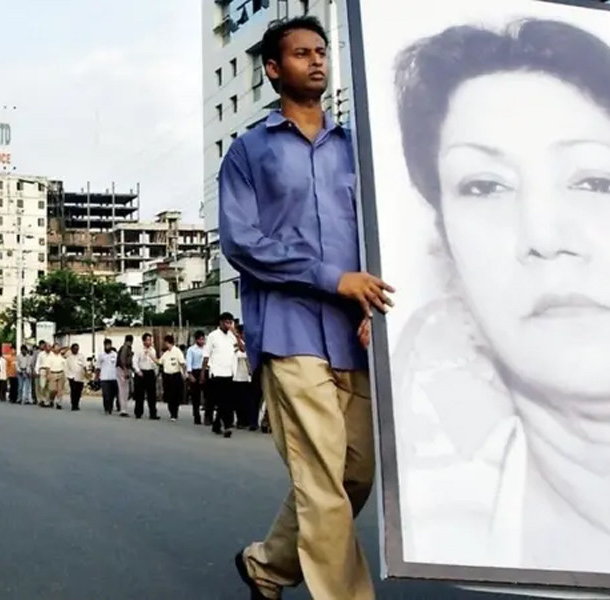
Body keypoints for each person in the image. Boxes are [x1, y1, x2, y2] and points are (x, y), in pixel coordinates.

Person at [387, 15, 610, 578]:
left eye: (596, 182)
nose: (543, 237)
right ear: (451, 265)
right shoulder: (444, 509)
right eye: (485, 186)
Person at [220, 18, 395, 600]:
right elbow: (241, 243)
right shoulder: (249, 152)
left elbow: (379, 232)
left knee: (356, 476)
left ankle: (267, 565)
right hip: (289, 333)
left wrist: (372, 301)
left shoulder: (356, 149)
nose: (317, 61)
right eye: (301, 53)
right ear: (274, 69)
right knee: (321, 484)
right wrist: (331, 278)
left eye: (321, 52)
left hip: (355, 335)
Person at [202, 313, 239, 438]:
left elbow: (242, 349)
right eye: (226, 322)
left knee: (227, 401)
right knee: (223, 401)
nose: (228, 324)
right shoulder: (213, 336)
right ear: (221, 322)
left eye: (230, 322)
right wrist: (203, 372)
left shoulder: (232, 337)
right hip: (216, 372)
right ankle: (227, 425)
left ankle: (217, 424)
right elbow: (206, 355)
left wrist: (236, 334)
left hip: (229, 372)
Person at [159, 334, 186, 421]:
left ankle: (175, 412)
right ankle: (172, 413)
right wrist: (151, 356)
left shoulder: (177, 351)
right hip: (167, 376)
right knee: (169, 395)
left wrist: (184, 373)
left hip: (176, 375)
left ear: (167, 342)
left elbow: (182, 363)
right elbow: (159, 362)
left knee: (176, 395)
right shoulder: (166, 354)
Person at [132, 333, 159, 420]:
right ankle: (138, 412)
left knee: (152, 395)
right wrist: (138, 371)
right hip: (141, 372)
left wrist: (155, 372)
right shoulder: (139, 350)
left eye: (150, 340)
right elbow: (135, 361)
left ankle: (153, 413)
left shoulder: (153, 350)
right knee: (139, 394)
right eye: (148, 340)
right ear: (144, 341)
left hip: (150, 372)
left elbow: (154, 362)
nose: (149, 342)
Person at [185, 330, 206, 425]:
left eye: (203, 339)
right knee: (196, 396)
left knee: (208, 395)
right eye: (200, 339)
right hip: (195, 371)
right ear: (196, 340)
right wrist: (190, 374)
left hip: (206, 371)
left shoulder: (206, 348)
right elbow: (188, 362)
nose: (202, 341)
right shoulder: (191, 350)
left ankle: (208, 416)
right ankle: (196, 416)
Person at [96, 339, 119, 415]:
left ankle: (110, 408)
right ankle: (106, 408)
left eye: (109, 345)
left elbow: (118, 365)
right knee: (106, 395)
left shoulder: (115, 355)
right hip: (104, 378)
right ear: (104, 345)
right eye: (106, 345)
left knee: (111, 395)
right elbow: (98, 367)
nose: (108, 346)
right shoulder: (101, 355)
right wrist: (97, 377)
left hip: (113, 377)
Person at [116, 335, 134, 417]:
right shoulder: (125, 348)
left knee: (125, 390)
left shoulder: (125, 347)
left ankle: (123, 408)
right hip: (123, 369)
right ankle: (123, 409)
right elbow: (122, 359)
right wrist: (125, 370)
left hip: (124, 369)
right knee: (124, 390)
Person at [65, 343, 86, 411]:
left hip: (80, 377)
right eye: (74, 349)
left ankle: (77, 403)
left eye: (77, 349)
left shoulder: (81, 356)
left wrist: (86, 374)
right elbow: (66, 367)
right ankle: (73, 404)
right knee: (73, 391)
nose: (76, 350)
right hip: (72, 377)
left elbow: (84, 365)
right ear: (71, 349)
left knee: (78, 391)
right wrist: (68, 376)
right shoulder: (69, 358)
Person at [44, 345, 65, 410]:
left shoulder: (61, 356)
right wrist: (47, 375)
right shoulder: (50, 357)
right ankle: (51, 400)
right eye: (56, 347)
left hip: (61, 373)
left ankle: (59, 403)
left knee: (60, 390)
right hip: (53, 373)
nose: (58, 349)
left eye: (59, 347)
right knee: (53, 389)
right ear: (53, 349)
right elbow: (47, 367)